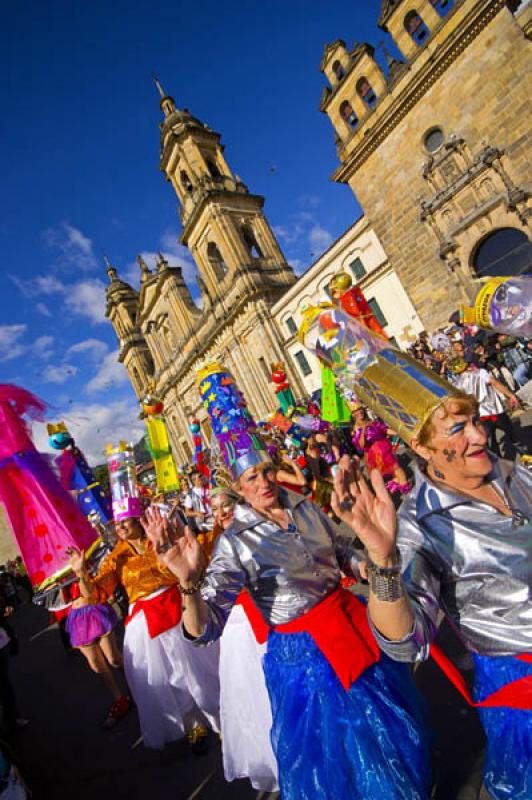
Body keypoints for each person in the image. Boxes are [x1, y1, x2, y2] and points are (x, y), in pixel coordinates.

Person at [146, 461, 431, 799]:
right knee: (338, 752)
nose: (265, 481)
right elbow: (204, 628)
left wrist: (364, 565)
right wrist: (189, 583)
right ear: (238, 487)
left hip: (352, 626)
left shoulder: (303, 504)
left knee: (388, 725)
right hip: (306, 662)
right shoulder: (234, 542)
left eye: (267, 470)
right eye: (252, 477)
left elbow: (339, 550)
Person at [331, 394, 531, 800]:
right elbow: (407, 641)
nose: (479, 435)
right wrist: (384, 563)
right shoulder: (417, 524)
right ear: (421, 448)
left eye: (475, 420)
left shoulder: (514, 474)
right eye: (457, 429)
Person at [68, 510, 220, 751]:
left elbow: (195, 558)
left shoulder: (161, 537)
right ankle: (194, 726)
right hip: (146, 624)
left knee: (202, 669)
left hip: (180, 608)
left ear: (138, 520)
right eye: (116, 524)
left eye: (125, 521)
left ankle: (219, 720)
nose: (121, 527)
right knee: (171, 678)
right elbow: (96, 594)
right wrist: (80, 573)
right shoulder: (116, 557)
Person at [210, 488, 279, 792]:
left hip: (272, 620)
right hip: (238, 633)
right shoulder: (210, 546)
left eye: (227, 505)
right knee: (254, 698)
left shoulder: (264, 530)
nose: (222, 512)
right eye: (215, 509)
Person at [59, 571, 130, 728]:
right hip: (77, 618)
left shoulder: (84, 560)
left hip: (95, 609)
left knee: (114, 659)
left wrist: (79, 571)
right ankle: (119, 700)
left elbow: (88, 592)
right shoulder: (57, 571)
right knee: (97, 666)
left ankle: (135, 688)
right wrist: (58, 584)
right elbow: (65, 601)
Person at [351, 403, 410, 495]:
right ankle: (393, 489)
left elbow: (384, 430)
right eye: (357, 410)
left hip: (386, 451)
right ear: (353, 414)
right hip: (374, 456)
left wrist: (399, 432)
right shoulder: (356, 428)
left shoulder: (371, 421)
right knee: (380, 476)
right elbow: (361, 445)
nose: (360, 411)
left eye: (361, 409)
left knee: (397, 469)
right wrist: (363, 431)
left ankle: (403, 487)